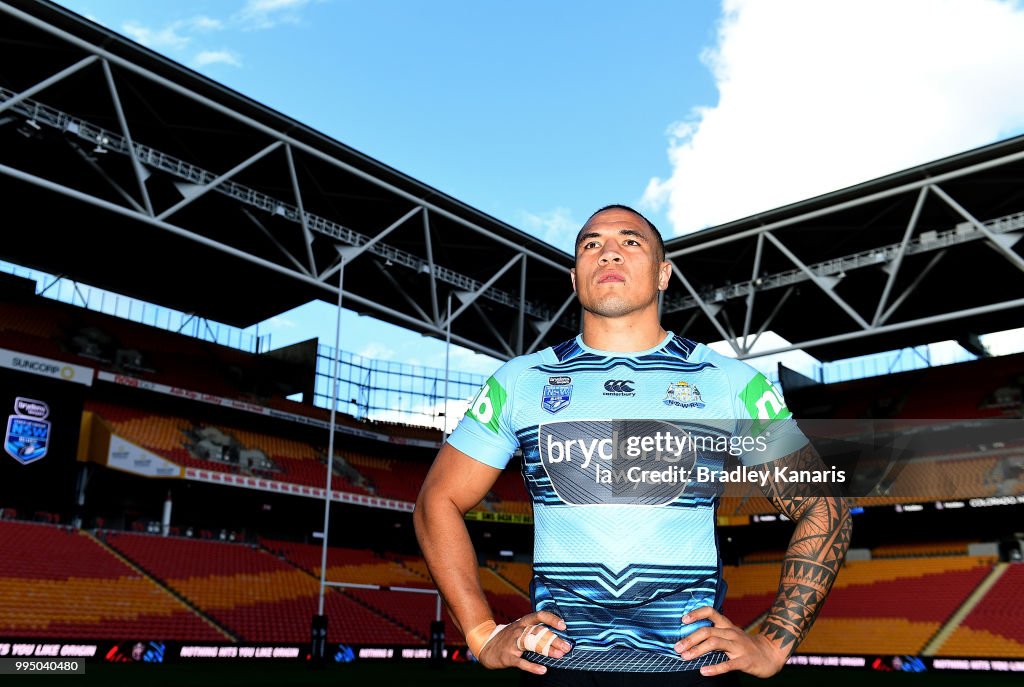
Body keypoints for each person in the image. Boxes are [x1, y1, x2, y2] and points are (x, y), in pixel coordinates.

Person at [414, 205, 852, 685]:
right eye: (591, 244)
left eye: (630, 241)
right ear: (574, 276)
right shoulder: (520, 381)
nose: (608, 254)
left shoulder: (731, 383)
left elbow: (823, 505)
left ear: (663, 274)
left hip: (688, 668)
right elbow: (437, 500)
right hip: (555, 664)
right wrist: (480, 632)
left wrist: (773, 642)